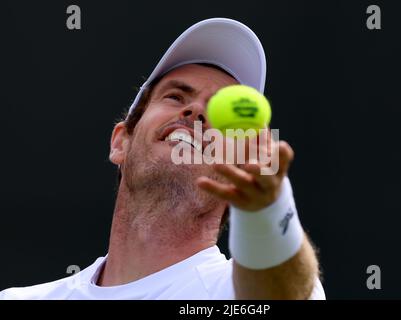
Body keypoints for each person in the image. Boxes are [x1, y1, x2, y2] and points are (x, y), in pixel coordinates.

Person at [0, 18, 325, 300]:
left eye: (220, 112)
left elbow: (282, 292)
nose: (197, 110)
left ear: (240, 163)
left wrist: (268, 210)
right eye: (175, 96)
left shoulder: (235, 294)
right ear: (120, 142)